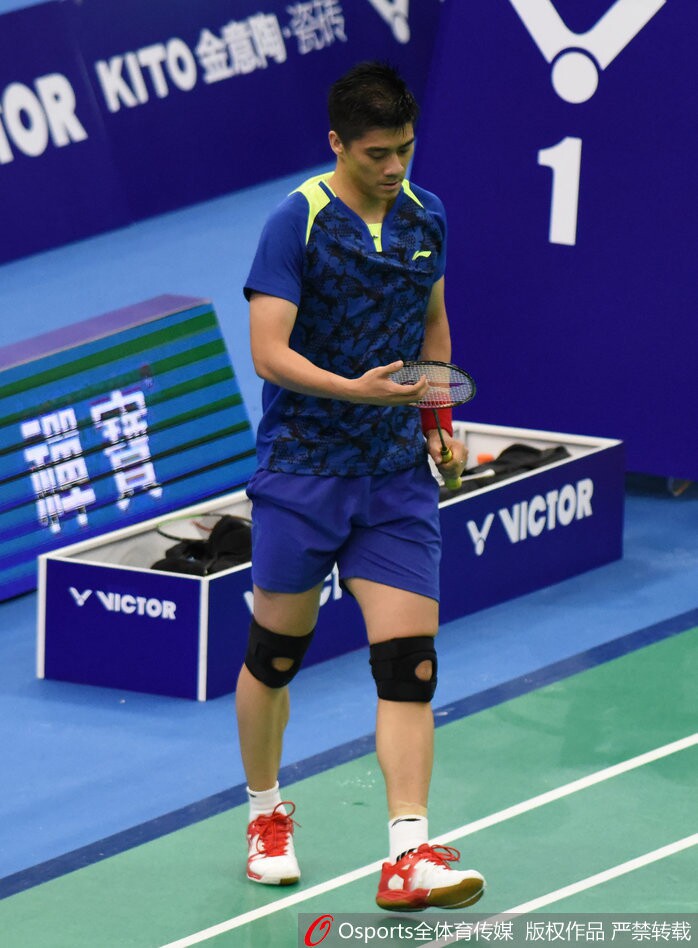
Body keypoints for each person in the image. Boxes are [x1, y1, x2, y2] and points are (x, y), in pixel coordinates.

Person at [236, 60, 485, 912]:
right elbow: (268, 352)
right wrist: (357, 390)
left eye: (405, 149)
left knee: (410, 667)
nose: (394, 167)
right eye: (377, 153)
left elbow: (433, 325)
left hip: (393, 477)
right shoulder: (296, 221)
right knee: (275, 658)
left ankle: (409, 854)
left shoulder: (426, 215)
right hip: (303, 471)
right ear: (337, 143)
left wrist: (436, 422)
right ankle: (265, 815)